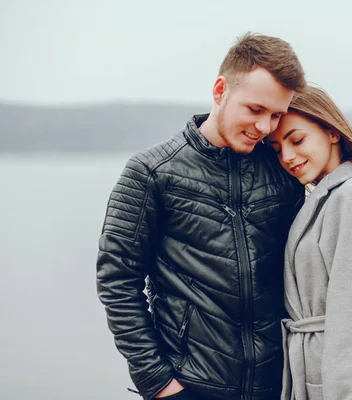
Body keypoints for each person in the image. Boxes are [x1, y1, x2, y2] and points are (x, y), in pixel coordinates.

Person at [96, 32, 306, 400]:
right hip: (189, 386)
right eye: (255, 110)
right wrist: (159, 385)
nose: (265, 128)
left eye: (277, 115)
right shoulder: (151, 171)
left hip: (279, 386)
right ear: (220, 89)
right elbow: (117, 281)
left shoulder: (283, 172)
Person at [267, 86, 352, 400]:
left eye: (297, 140)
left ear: (331, 132)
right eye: (276, 148)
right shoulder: (327, 196)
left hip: (346, 385)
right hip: (316, 370)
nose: (287, 157)